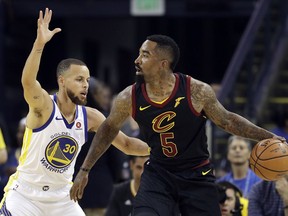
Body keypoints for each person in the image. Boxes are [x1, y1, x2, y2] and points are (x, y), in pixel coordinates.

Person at [70, 34, 285, 215]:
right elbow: (108, 129)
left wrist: (266, 136)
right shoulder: (129, 97)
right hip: (158, 173)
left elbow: (227, 120)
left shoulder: (196, 91)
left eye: (145, 55)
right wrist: (85, 169)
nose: (137, 60)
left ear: (163, 64)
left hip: (196, 174)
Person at [0, 8, 149, 216]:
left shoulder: (91, 116)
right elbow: (27, 82)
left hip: (62, 198)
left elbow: (126, 144)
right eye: (79, 80)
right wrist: (39, 44)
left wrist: (165, 149)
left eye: (87, 80)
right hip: (26, 196)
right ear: (62, 81)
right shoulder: (44, 106)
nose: (85, 85)